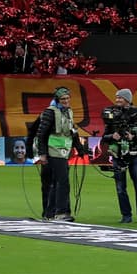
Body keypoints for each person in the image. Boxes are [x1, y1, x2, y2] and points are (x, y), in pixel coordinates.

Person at [33, 86, 86, 221]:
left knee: (57, 182)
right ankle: (61, 213)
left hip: (64, 151)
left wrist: (80, 149)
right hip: (53, 150)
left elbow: (72, 131)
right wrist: (42, 154)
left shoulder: (68, 112)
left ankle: (50, 213)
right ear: (57, 100)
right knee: (62, 182)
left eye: (67, 98)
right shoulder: (50, 112)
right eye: (63, 99)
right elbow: (41, 134)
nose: (66, 101)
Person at [104, 88, 137, 224]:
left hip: (134, 154)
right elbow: (104, 136)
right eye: (117, 97)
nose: (117, 100)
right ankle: (126, 216)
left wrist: (133, 137)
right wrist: (112, 136)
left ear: (127, 99)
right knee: (120, 188)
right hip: (118, 156)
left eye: (120, 98)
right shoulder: (112, 115)